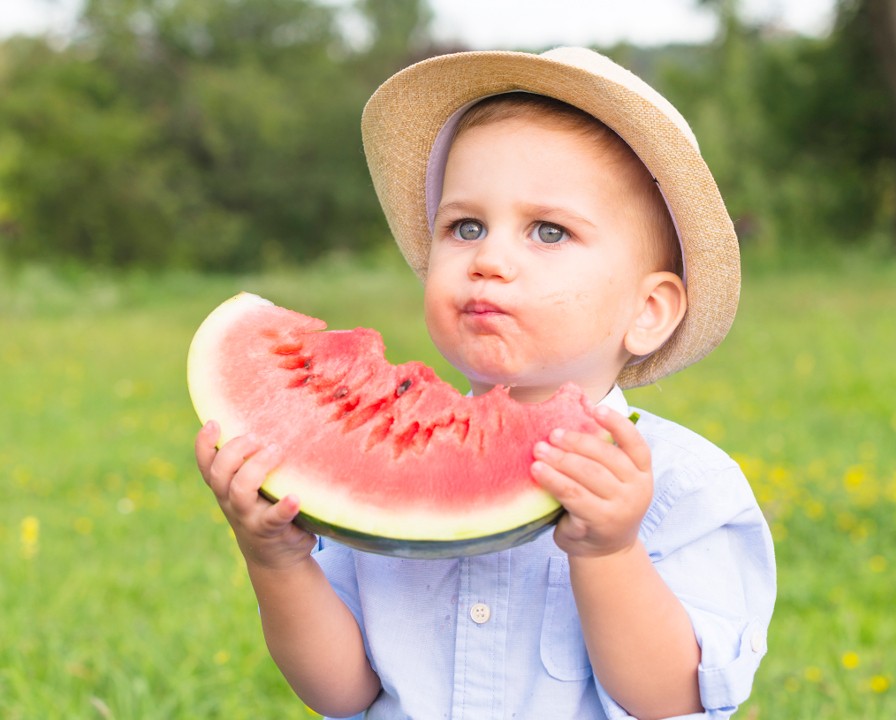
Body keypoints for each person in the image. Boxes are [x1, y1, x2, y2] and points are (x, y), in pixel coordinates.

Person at [195, 47, 776, 720]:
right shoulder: (387, 473)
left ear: (647, 312)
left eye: (549, 232)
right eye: (465, 226)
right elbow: (341, 689)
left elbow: (672, 699)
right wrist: (275, 561)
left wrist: (612, 551)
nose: (490, 260)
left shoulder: (689, 489)